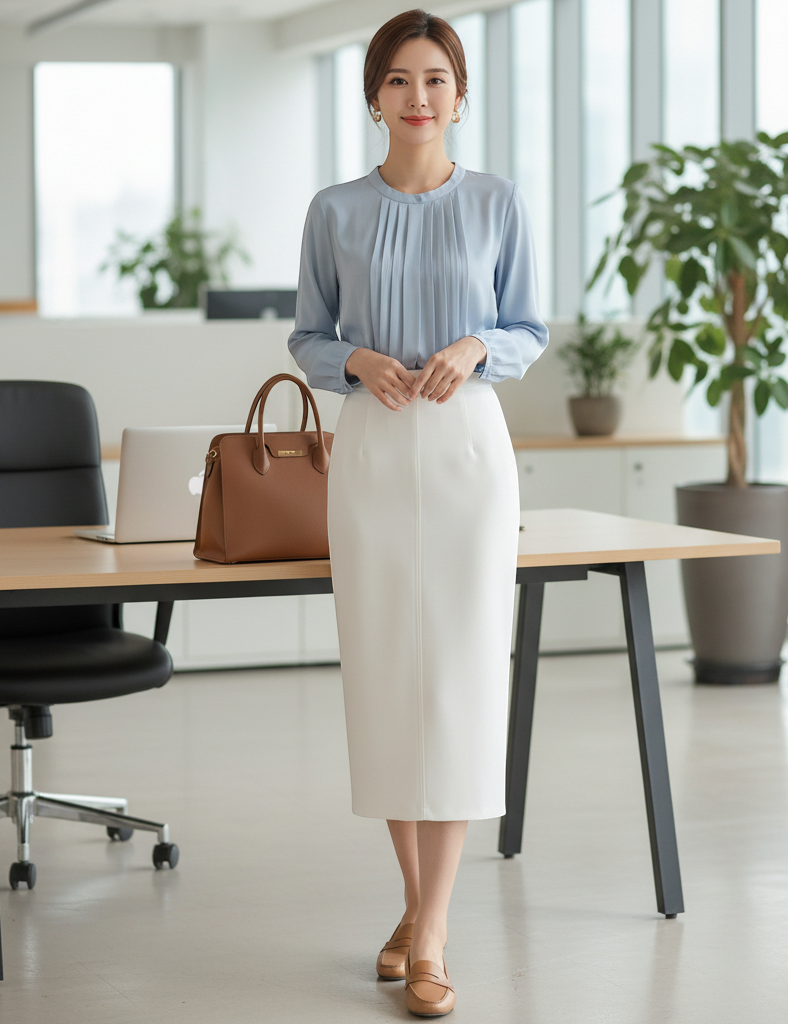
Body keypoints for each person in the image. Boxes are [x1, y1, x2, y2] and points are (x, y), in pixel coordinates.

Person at [288, 8, 547, 1016]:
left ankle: (430, 932)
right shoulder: (334, 210)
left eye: (436, 78)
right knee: (392, 676)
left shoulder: (496, 203)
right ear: (372, 96)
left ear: (460, 93)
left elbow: (527, 324)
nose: (418, 97)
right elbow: (307, 335)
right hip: (371, 452)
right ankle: (417, 906)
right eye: (399, 80)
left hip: (467, 453)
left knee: (461, 677)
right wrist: (352, 359)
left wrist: (474, 346)